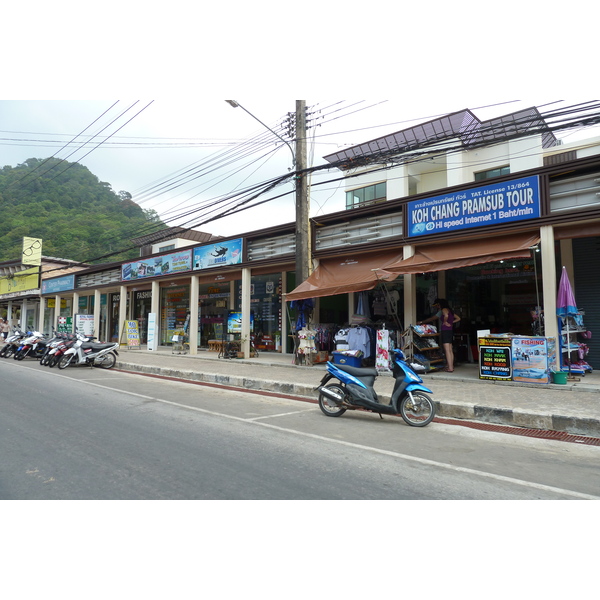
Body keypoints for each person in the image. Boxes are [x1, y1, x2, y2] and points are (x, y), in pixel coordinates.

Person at [418, 298, 461, 372]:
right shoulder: (450, 310)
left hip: (445, 330)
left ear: (440, 304)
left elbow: (443, 316)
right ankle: (450, 366)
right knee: (450, 350)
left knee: (447, 350)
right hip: (450, 330)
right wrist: (451, 323)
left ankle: (450, 368)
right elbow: (458, 318)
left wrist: (445, 321)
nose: (437, 307)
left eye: (437, 305)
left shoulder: (443, 310)